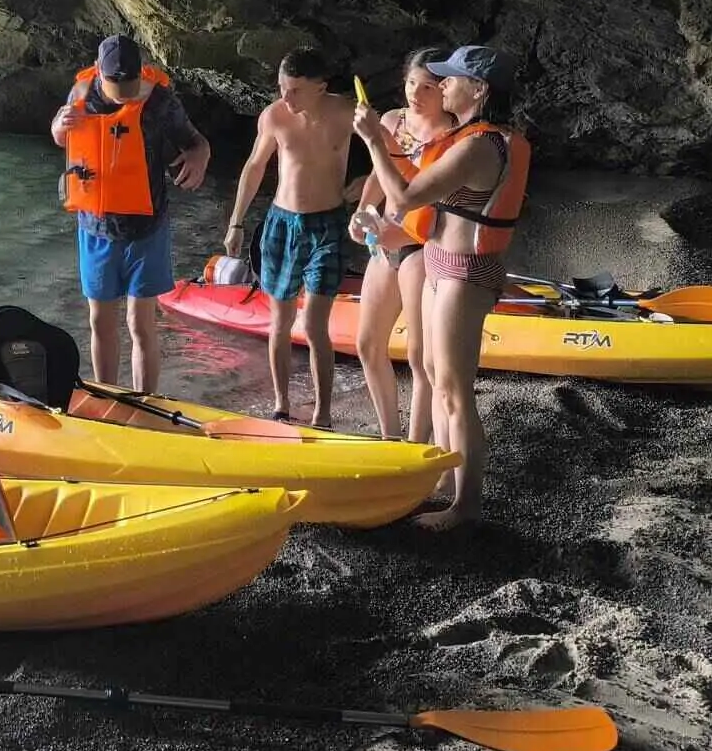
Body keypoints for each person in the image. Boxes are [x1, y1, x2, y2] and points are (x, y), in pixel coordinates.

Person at [353, 44, 530, 530]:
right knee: (433, 370)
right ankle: (448, 484)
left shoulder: (479, 145)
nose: (442, 83)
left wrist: (373, 140)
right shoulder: (466, 136)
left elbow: (407, 195)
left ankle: (466, 507)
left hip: (464, 272)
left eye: (451, 78)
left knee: (454, 389)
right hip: (440, 263)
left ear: (479, 90)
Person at [53, 34, 211, 392]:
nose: (125, 94)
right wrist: (58, 128)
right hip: (95, 228)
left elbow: (196, 142)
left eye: (131, 86)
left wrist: (201, 156)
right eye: (115, 88)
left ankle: (145, 401)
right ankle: (108, 396)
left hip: (147, 228)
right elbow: (61, 137)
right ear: (100, 76)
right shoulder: (80, 94)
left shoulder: (161, 101)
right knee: (100, 320)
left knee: (141, 323)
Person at [224, 48, 360, 429]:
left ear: (321, 87)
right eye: (283, 87)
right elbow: (254, 168)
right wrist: (236, 222)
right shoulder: (274, 116)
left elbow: (394, 148)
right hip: (283, 225)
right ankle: (281, 405)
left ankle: (323, 414)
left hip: (329, 225)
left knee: (316, 325)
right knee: (280, 321)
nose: (287, 97)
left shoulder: (346, 112)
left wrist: (370, 185)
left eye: (296, 90)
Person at [347, 49, 455, 444]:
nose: (417, 94)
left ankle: (415, 444)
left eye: (428, 87)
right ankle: (389, 438)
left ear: (445, 90)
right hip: (384, 240)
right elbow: (380, 171)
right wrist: (362, 211)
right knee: (367, 343)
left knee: (418, 356)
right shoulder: (391, 121)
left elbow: (442, 204)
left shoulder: (452, 135)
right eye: (412, 83)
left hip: (421, 244)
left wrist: (404, 234)